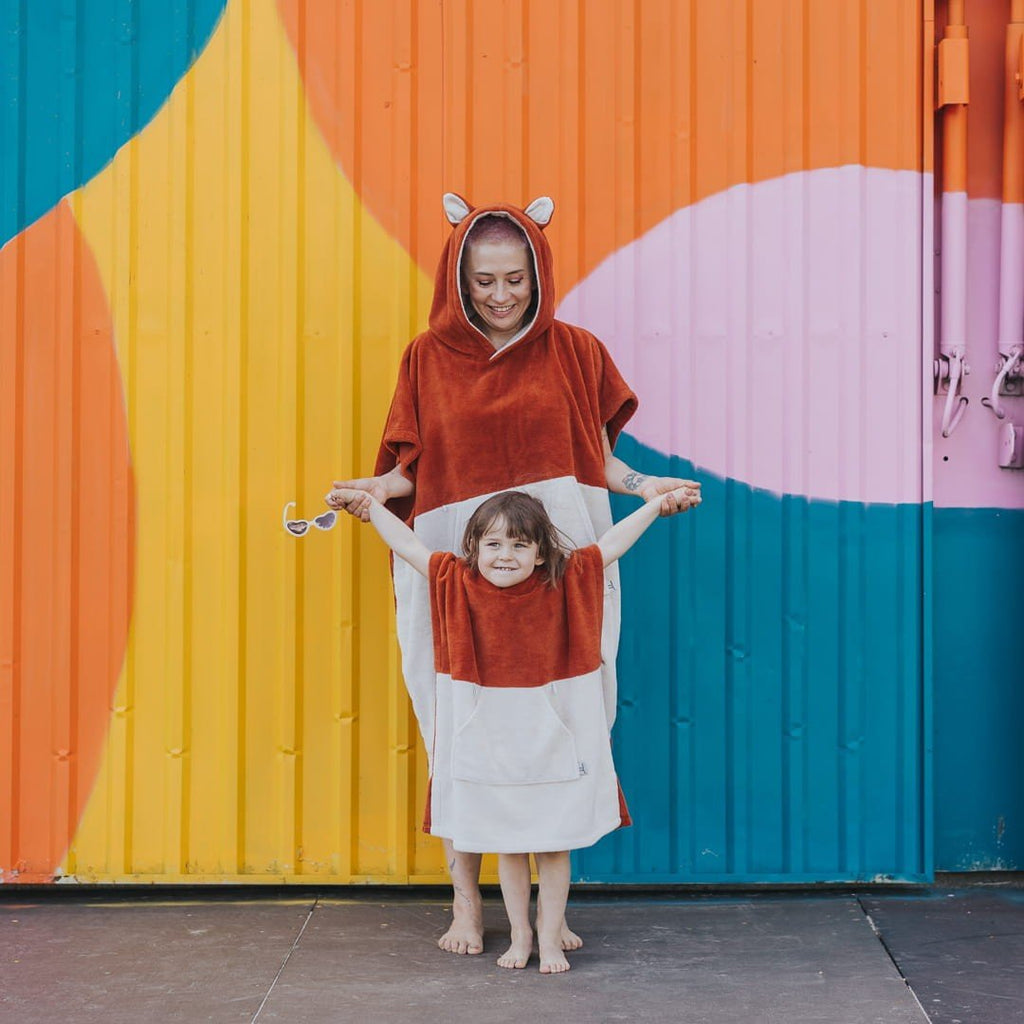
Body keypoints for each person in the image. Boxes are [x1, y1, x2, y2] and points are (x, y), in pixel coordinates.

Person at [328, 193, 700, 956]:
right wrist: (372, 490)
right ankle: (466, 905)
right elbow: (409, 472)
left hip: (563, 565)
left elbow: (598, 460)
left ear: (540, 272)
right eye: (483, 281)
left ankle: (552, 913)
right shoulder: (425, 358)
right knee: (459, 727)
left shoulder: (578, 352)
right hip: (453, 567)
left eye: (515, 280)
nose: (499, 296)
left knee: (568, 716)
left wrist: (645, 488)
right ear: (457, 279)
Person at [325, 486, 700, 972]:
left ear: (541, 552)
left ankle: (549, 935)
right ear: (474, 548)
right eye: (494, 544)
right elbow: (410, 545)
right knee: (508, 846)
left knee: (553, 845)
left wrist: (653, 504)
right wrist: (371, 506)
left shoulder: (566, 579)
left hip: (551, 743)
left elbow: (612, 545)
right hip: (491, 742)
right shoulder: (454, 580)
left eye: (520, 545)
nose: (506, 556)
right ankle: (520, 935)